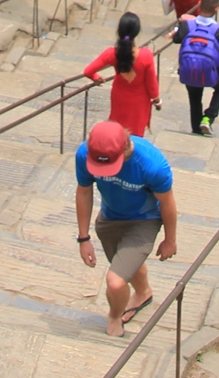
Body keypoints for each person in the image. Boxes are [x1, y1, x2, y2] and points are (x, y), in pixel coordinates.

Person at [75, 121, 177, 337]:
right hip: (109, 218)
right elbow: (84, 191)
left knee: (115, 281)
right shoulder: (84, 154)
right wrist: (83, 238)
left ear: (125, 149)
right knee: (124, 265)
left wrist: (170, 240)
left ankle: (114, 316)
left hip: (144, 220)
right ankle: (143, 292)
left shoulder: (152, 166)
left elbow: (167, 202)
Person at [83, 11, 161, 137]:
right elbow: (152, 85)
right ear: (137, 32)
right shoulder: (146, 56)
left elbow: (88, 71)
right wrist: (157, 100)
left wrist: (96, 77)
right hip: (140, 101)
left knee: (117, 129)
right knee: (136, 133)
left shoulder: (112, 53)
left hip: (119, 97)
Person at [172, 0, 219, 134]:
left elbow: (176, 39)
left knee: (194, 96)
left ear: (199, 5)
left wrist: (180, 25)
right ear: (216, 9)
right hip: (211, 71)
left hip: (190, 69)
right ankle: (208, 117)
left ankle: (196, 127)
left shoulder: (188, 26)